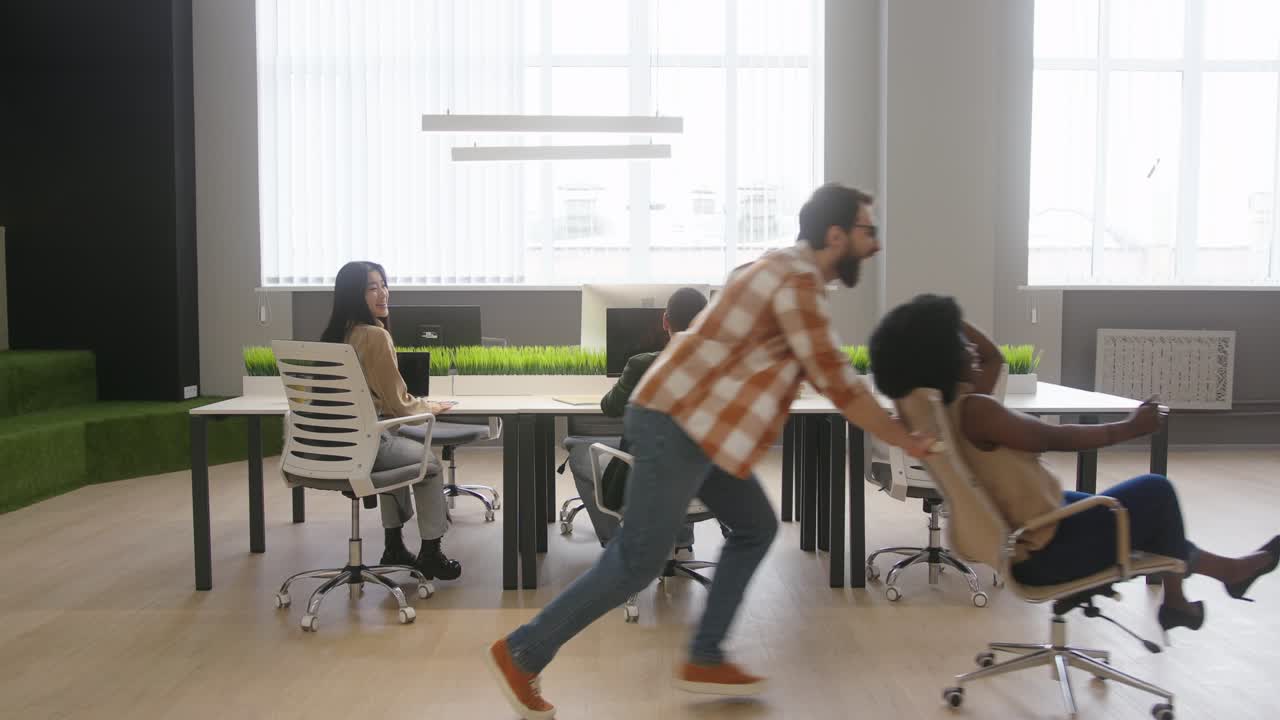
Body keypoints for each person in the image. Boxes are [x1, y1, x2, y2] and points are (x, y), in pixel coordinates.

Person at [485, 184, 934, 719]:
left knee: (755, 527)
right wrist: (908, 438)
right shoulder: (796, 281)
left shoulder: (779, 268)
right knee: (638, 562)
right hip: (677, 421)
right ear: (836, 235)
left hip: (705, 428)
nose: (876, 245)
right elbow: (838, 382)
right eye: (868, 231)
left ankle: (704, 654)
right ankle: (522, 652)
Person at [867, 293, 1279, 636]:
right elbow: (1054, 437)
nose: (970, 347)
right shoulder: (978, 412)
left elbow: (993, 360)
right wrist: (1129, 428)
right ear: (941, 357)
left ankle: (1200, 587)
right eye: (958, 341)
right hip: (1048, 551)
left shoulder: (946, 410)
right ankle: (1190, 591)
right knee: (1156, 491)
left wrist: (947, 314)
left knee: (1123, 509)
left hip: (1029, 535)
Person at [320, 261, 463, 581]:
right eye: (372, 287)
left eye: (384, 284)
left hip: (333, 445)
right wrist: (430, 407)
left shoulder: (333, 336)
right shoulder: (375, 336)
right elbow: (399, 403)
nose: (383, 293)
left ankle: (394, 544)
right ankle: (430, 552)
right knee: (430, 466)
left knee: (397, 446)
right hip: (366, 443)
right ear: (353, 295)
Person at [569, 287, 709, 549]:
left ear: (665, 321)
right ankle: (679, 539)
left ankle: (616, 542)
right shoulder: (720, 367)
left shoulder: (641, 364)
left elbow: (610, 407)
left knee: (577, 449)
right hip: (707, 482)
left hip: (646, 479)